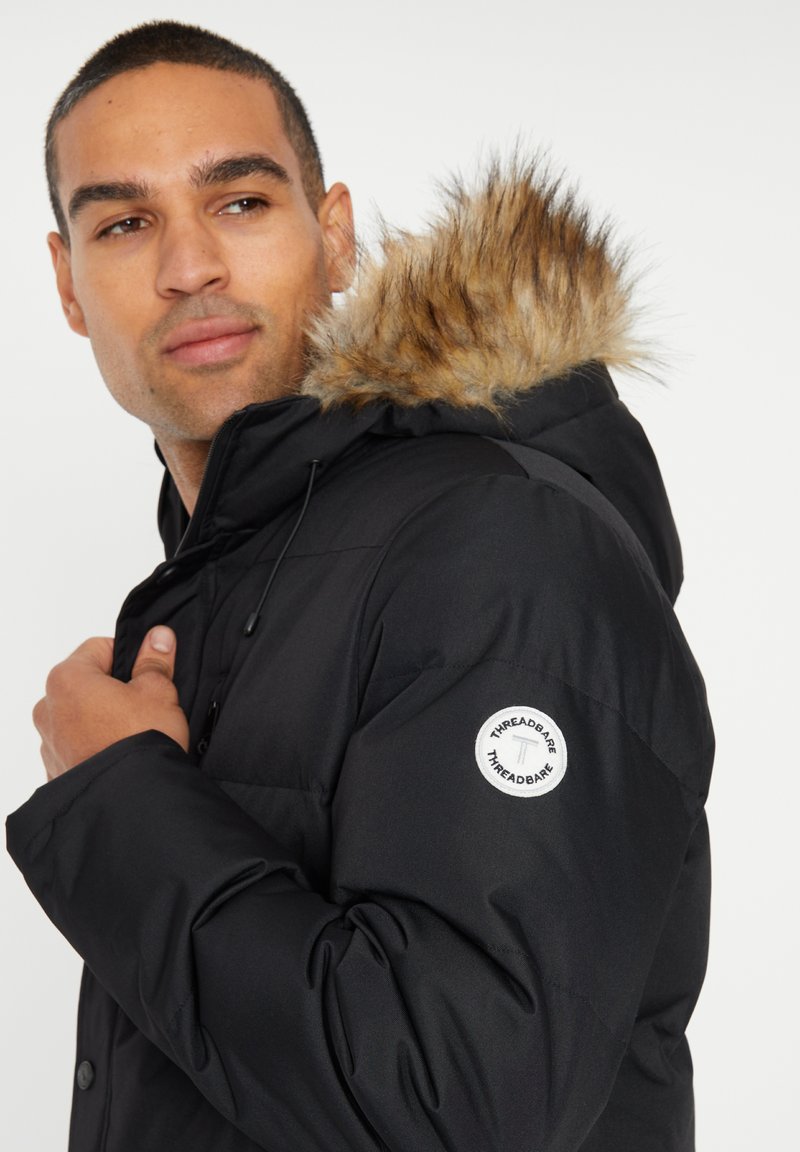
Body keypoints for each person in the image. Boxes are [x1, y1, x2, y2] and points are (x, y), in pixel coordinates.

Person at [6, 19, 714, 1152]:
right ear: (68, 282)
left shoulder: (497, 541)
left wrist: (119, 802)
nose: (188, 267)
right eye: (125, 222)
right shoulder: (241, 569)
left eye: (241, 202)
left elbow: (462, 1104)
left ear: (334, 236)